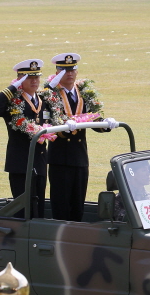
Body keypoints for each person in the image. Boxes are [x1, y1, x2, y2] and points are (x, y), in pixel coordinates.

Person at [44, 52, 118, 221]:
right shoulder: (51, 93)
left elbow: (91, 116)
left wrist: (105, 123)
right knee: (61, 205)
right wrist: (63, 124)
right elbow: (49, 118)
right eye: (64, 70)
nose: (69, 73)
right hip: (60, 158)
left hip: (79, 157)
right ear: (57, 72)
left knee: (78, 205)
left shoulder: (82, 90)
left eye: (72, 69)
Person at [0, 59, 59, 219]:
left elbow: (55, 116)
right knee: (23, 210)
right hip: (21, 163)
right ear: (20, 79)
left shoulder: (43, 100)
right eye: (29, 77)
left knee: (38, 207)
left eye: (36, 77)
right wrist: (12, 88)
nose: (34, 81)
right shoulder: (13, 102)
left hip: (39, 162)